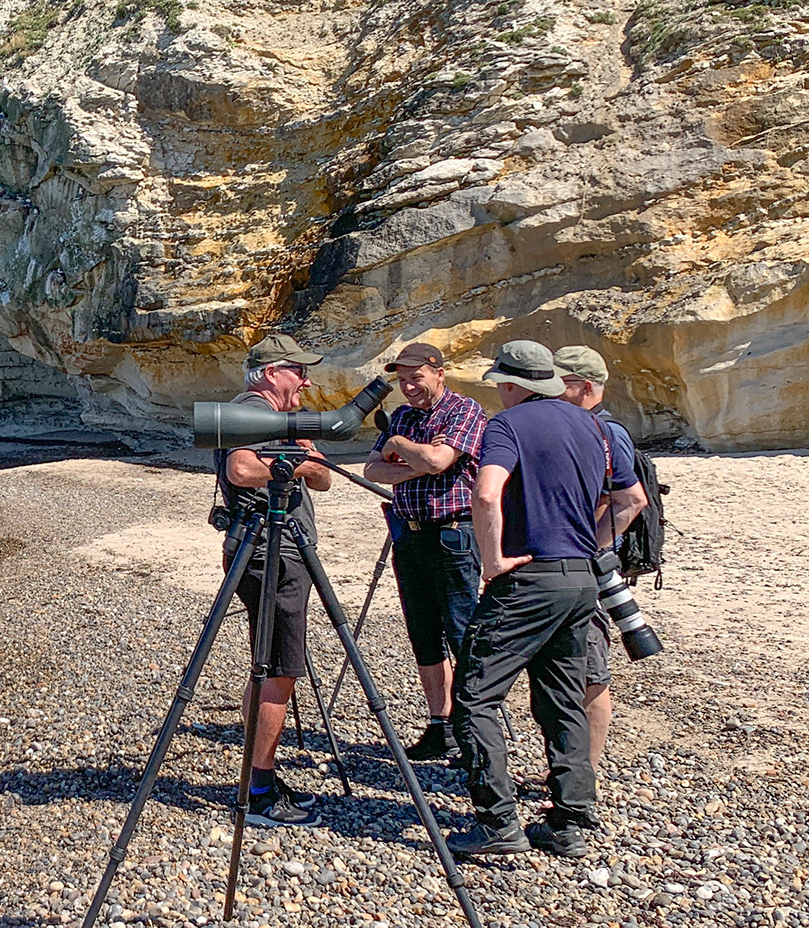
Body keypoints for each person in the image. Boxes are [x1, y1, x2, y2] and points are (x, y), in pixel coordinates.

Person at [444, 340, 641, 859]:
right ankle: (570, 819)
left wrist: (492, 560)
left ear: (512, 386)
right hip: (581, 581)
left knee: (475, 695)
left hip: (528, 578)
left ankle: (497, 822)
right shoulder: (593, 426)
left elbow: (487, 493)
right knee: (561, 696)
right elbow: (630, 499)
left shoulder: (507, 426)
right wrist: (588, 548)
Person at [214, 333, 332, 826]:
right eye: (297, 370)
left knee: (267, 664)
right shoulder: (246, 411)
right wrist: (297, 461)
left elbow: (324, 477)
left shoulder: (284, 421)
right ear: (269, 372)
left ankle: (256, 774)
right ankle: (259, 790)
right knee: (280, 668)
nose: (306, 380)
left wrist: (300, 452)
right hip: (270, 553)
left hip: (278, 549)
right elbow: (240, 468)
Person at [363, 342, 488, 762]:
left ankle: (474, 730)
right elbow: (373, 469)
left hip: (453, 536)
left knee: (461, 632)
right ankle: (440, 726)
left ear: (438, 372)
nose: (408, 386)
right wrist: (418, 460)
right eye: (401, 380)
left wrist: (401, 446)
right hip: (410, 536)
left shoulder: (463, 411)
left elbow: (438, 461)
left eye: (415, 377)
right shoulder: (403, 415)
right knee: (423, 636)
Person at [553, 345, 651, 773]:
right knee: (570, 668)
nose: (551, 391)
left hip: (587, 569)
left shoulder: (607, 433)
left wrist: (591, 548)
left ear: (586, 387)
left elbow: (628, 501)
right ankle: (570, 770)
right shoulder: (580, 426)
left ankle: (585, 775)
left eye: (561, 383)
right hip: (574, 565)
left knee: (590, 673)